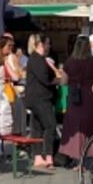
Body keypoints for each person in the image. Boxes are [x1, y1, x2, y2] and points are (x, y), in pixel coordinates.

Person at [57, 36, 93, 165]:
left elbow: (63, 82)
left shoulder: (69, 62)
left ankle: (78, 159)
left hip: (75, 98)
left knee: (76, 127)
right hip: (91, 97)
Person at [19, 35, 61, 170]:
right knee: (50, 125)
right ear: (41, 44)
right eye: (47, 43)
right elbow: (45, 79)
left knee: (37, 127)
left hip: (35, 98)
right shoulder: (37, 59)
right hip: (40, 98)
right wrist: (57, 80)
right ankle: (48, 156)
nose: (49, 46)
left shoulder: (37, 59)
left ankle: (38, 156)